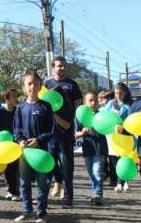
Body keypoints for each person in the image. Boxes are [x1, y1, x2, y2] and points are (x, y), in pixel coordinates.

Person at [13, 71, 54, 223]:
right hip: (24, 153)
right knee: (24, 182)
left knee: (42, 183)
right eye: (29, 84)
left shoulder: (46, 106)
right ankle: (26, 210)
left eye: (35, 84)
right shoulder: (20, 108)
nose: (32, 86)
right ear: (24, 88)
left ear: (40, 87)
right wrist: (20, 141)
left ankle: (41, 212)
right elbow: (16, 129)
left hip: (41, 153)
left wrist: (38, 140)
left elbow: (51, 130)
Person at [45, 56, 82, 207]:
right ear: (53, 67)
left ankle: (68, 197)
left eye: (63, 66)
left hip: (66, 131)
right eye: (59, 66)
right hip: (49, 131)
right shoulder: (46, 83)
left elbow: (78, 105)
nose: (62, 68)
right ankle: (45, 194)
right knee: (48, 164)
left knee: (67, 165)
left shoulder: (72, 84)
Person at [75, 92, 108, 206]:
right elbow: (75, 133)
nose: (93, 103)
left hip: (100, 148)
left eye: (95, 100)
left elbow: (108, 128)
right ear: (85, 103)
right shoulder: (80, 116)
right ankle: (95, 193)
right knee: (91, 174)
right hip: (88, 149)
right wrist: (82, 132)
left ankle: (98, 193)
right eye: (90, 100)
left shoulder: (101, 115)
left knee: (97, 171)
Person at [105, 82, 132, 193]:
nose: (118, 95)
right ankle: (122, 181)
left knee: (124, 159)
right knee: (114, 161)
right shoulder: (111, 103)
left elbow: (132, 119)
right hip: (112, 137)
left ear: (126, 93)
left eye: (121, 93)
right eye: (116, 93)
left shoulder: (129, 104)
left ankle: (121, 182)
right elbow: (103, 115)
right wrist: (112, 115)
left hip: (125, 135)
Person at [0, 88, 20, 201]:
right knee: (7, 169)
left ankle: (16, 192)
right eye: (13, 96)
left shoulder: (17, 111)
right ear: (6, 98)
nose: (16, 98)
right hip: (3, 144)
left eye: (16, 96)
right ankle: (10, 190)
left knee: (15, 168)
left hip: (15, 143)